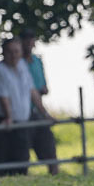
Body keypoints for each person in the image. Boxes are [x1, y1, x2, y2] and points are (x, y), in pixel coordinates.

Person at [0, 37, 51, 175]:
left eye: (16, 51)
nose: (13, 55)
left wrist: (45, 113)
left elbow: (32, 91)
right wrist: (9, 117)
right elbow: (3, 96)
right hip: (3, 121)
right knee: (0, 163)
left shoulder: (22, 65)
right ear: (3, 53)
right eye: (10, 52)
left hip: (21, 122)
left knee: (21, 161)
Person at [21, 29, 58, 175]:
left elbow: (43, 86)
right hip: (23, 111)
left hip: (38, 109)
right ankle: (23, 174)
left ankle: (54, 173)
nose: (29, 43)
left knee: (48, 144)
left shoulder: (37, 61)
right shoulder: (18, 64)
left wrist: (40, 90)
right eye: (26, 40)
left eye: (31, 39)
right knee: (24, 147)